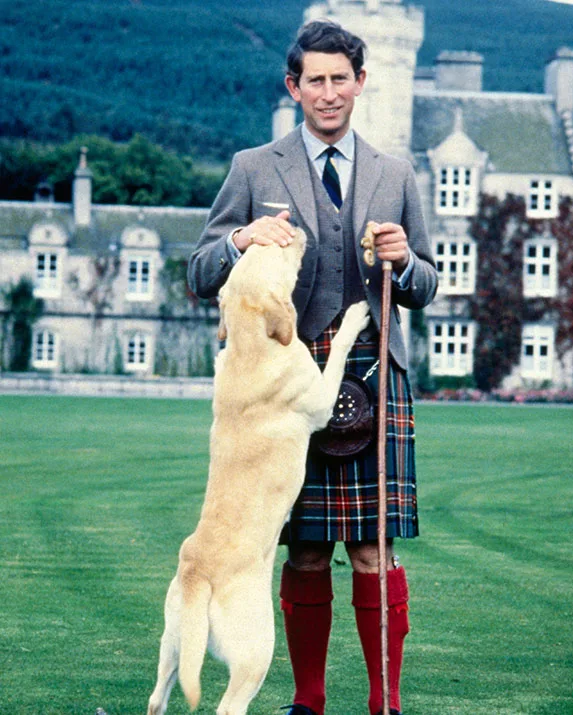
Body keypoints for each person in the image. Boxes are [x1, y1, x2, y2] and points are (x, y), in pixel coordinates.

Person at [187, 19, 438, 715]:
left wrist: (404, 261)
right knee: (302, 548)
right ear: (293, 87)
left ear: (361, 83)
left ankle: (385, 703)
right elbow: (199, 272)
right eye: (315, 80)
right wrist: (241, 239)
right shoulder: (252, 167)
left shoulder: (395, 174)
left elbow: (426, 285)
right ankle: (308, 702)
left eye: (340, 79)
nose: (328, 93)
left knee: (372, 549)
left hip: (372, 373)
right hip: (281, 382)